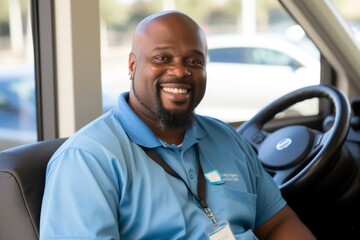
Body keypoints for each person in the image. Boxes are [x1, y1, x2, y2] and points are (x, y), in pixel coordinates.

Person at [40, 10, 316, 240]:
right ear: (132, 65)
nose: (181, 71)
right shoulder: (88, 159)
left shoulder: (226, 138)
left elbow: (279, 222)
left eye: (194, 61)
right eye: (163, 58)